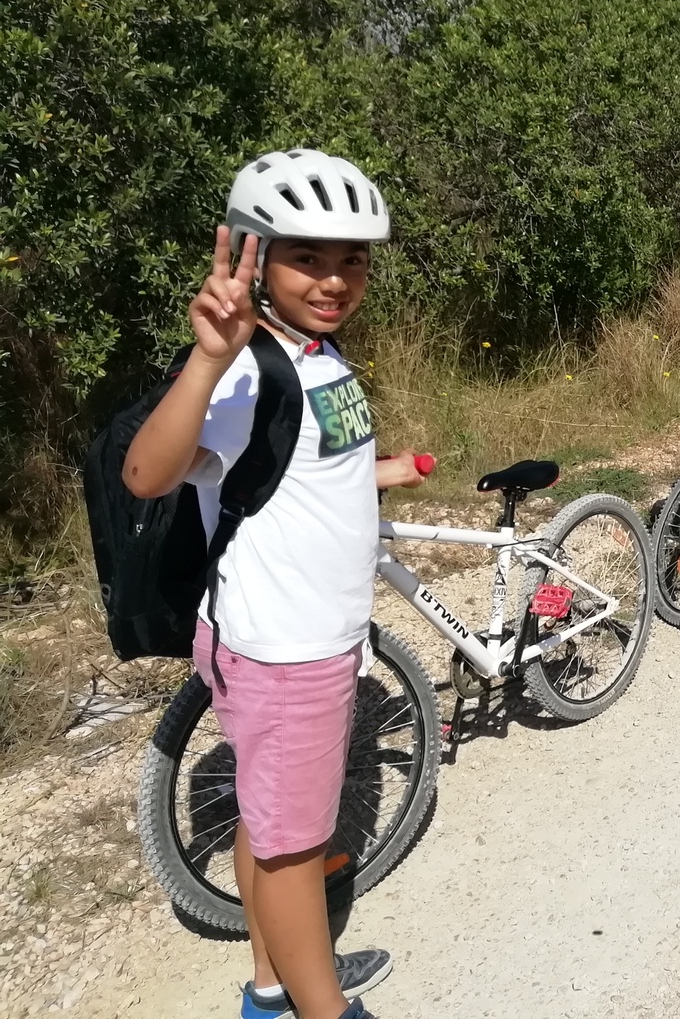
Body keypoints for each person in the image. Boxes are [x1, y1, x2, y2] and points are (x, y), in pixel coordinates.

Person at [121, 150, 413, 1019]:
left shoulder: (316, 353)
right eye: (306, 258)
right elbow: (147, 474)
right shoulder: (247, 366)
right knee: (293, 851)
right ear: (257, 257)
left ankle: (271, 988)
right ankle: (327, 1010)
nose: (334, 279)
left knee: (269, 825)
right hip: (287, 650)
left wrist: (381, 471)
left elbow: (298, 469)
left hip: (299, 634)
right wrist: (207, 359)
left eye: (351, 259)